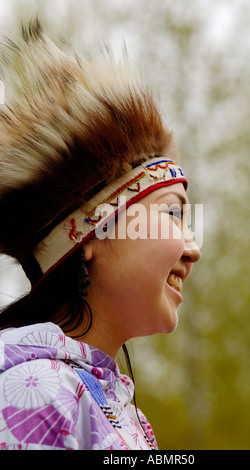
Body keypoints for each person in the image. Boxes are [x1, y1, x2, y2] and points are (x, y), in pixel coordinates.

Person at [0, 19, 200, 450]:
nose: (193, 248)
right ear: (88, 234)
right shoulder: (35, 396)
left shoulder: (120, 409)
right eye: (172, 214)